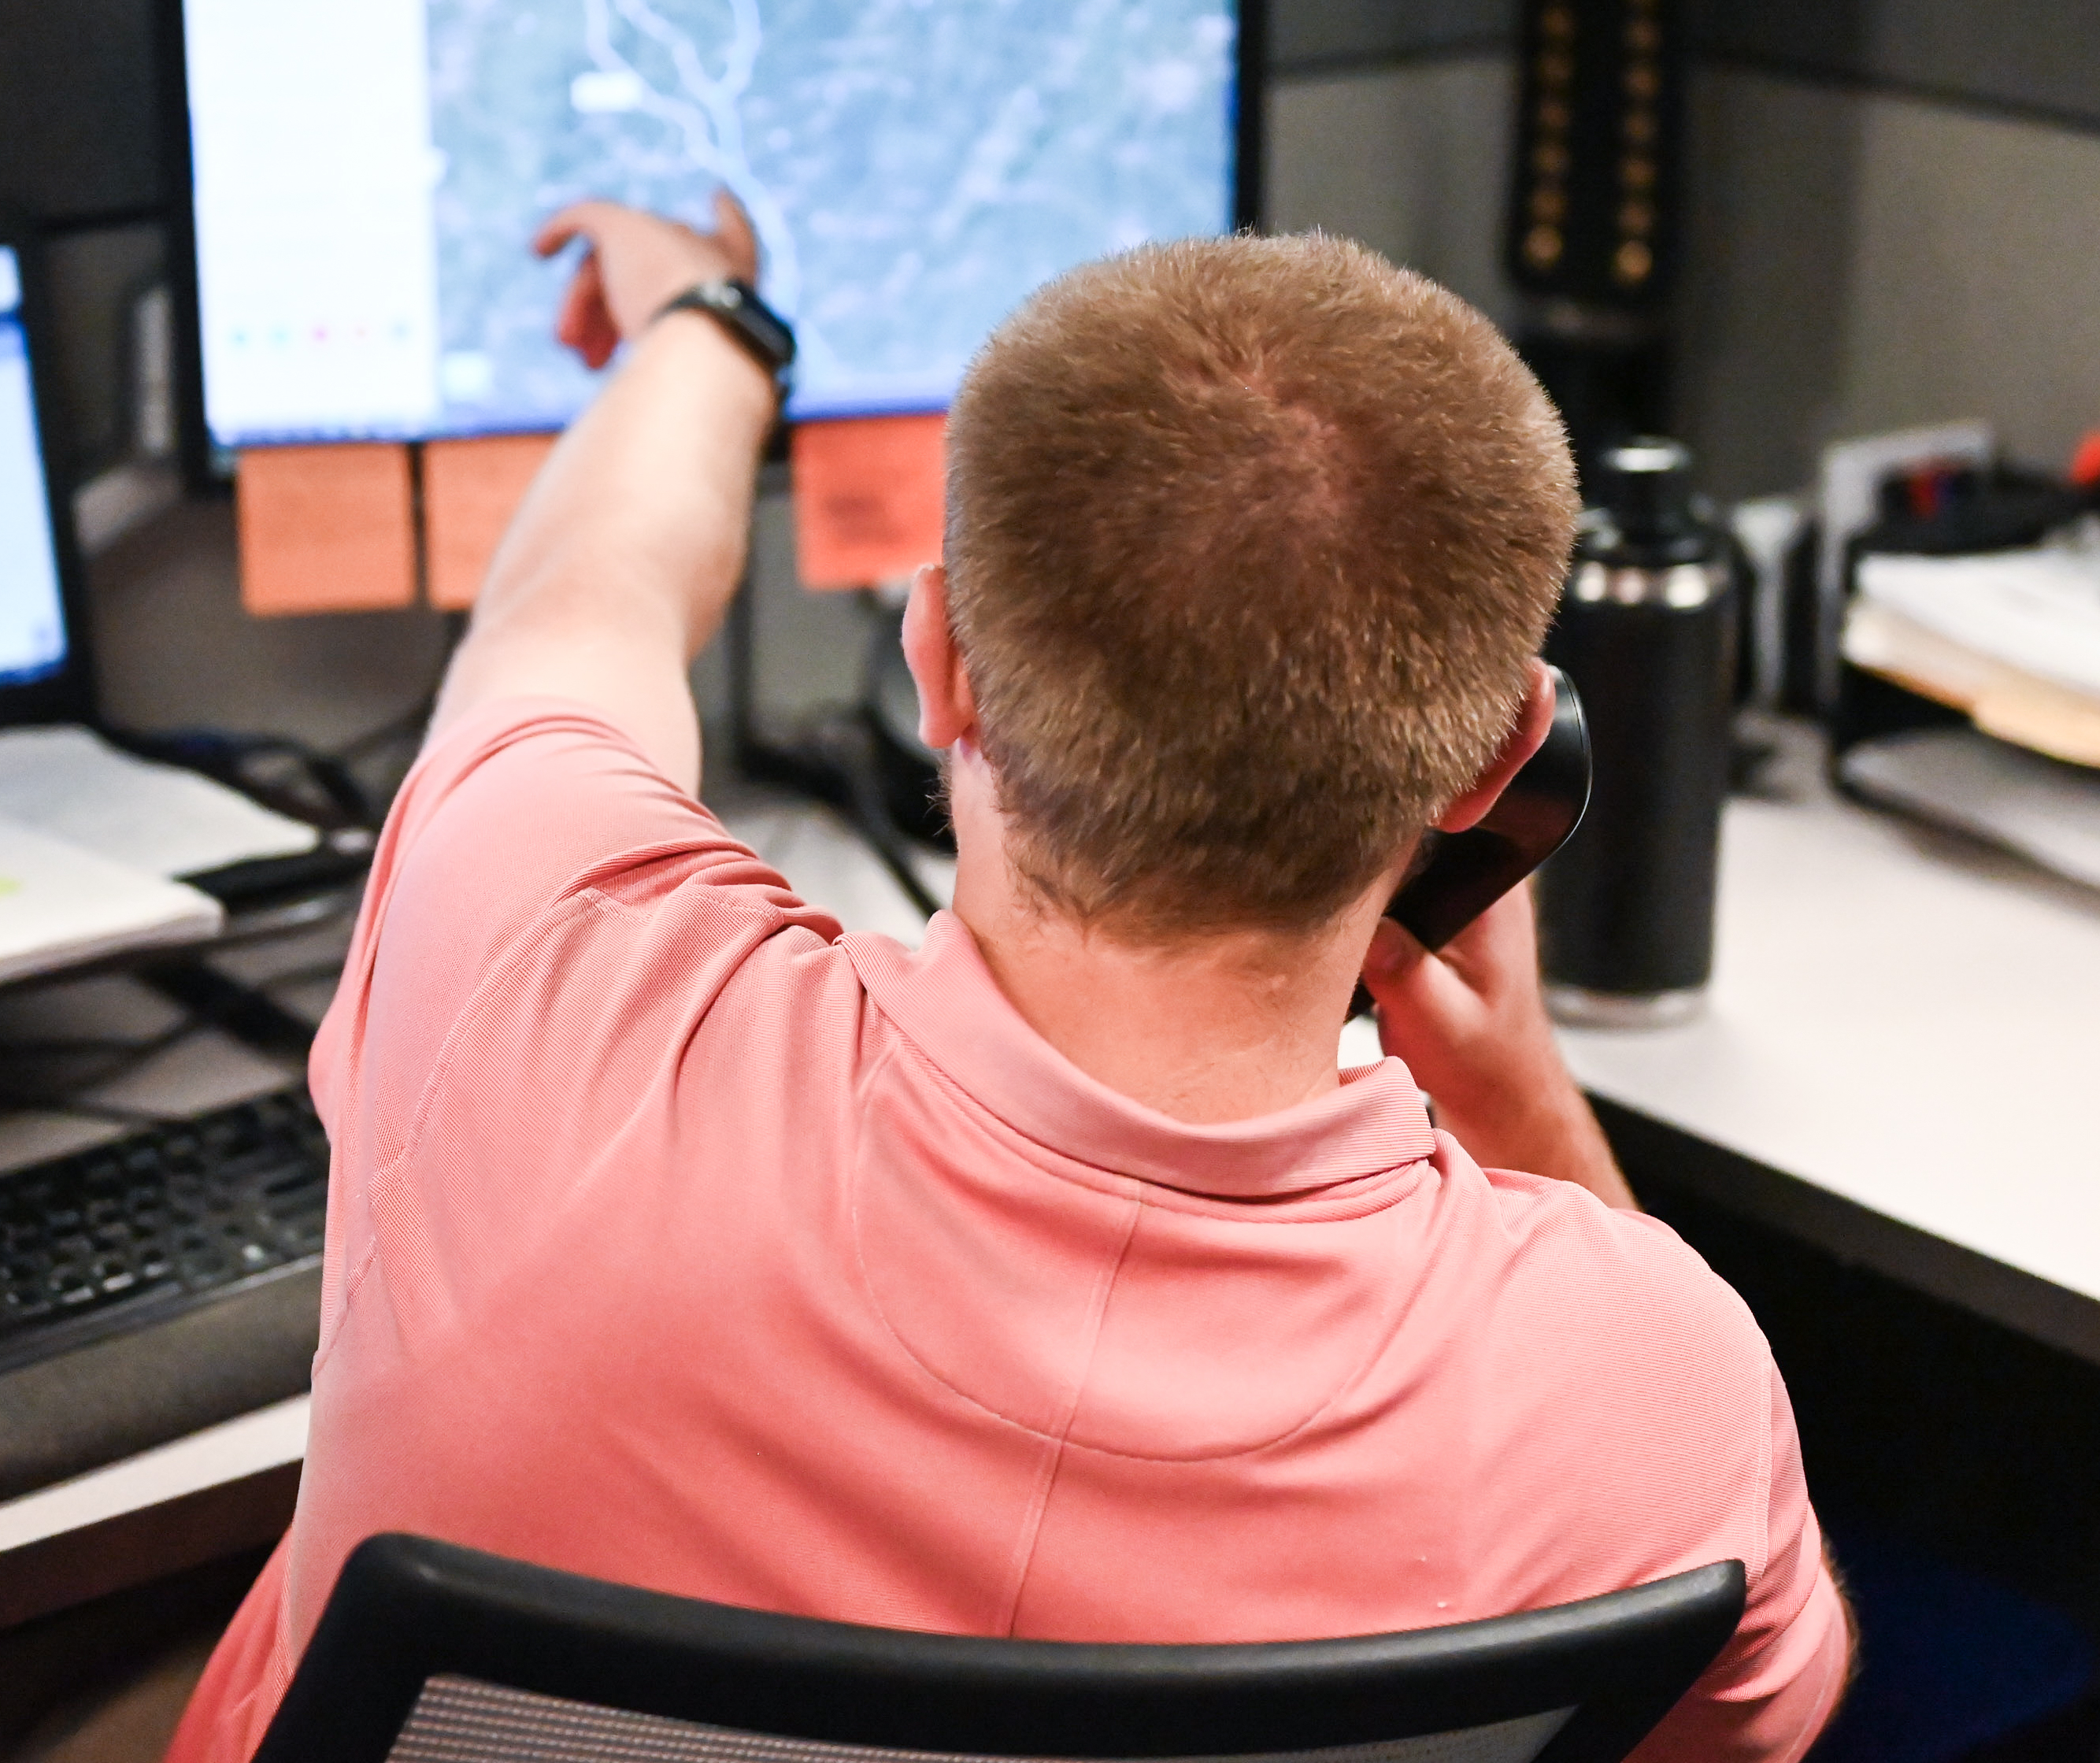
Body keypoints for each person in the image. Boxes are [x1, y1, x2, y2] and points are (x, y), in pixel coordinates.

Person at [163, 195, 1851, 1763]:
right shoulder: (1652, 1387)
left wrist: (706, 315)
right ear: (1494, 769)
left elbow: (576, 602)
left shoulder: (545, 966)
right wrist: (1524, 1107)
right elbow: (1754, 1722)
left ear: (938, 661)